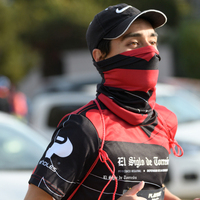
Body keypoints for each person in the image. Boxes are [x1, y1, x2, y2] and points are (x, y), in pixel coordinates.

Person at [24, 3, 198, 200]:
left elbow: (152, 187)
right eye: (133, 43)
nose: (150, 52)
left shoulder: (166, 120)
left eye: (153, 41)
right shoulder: (84, 127)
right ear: (100, 56)